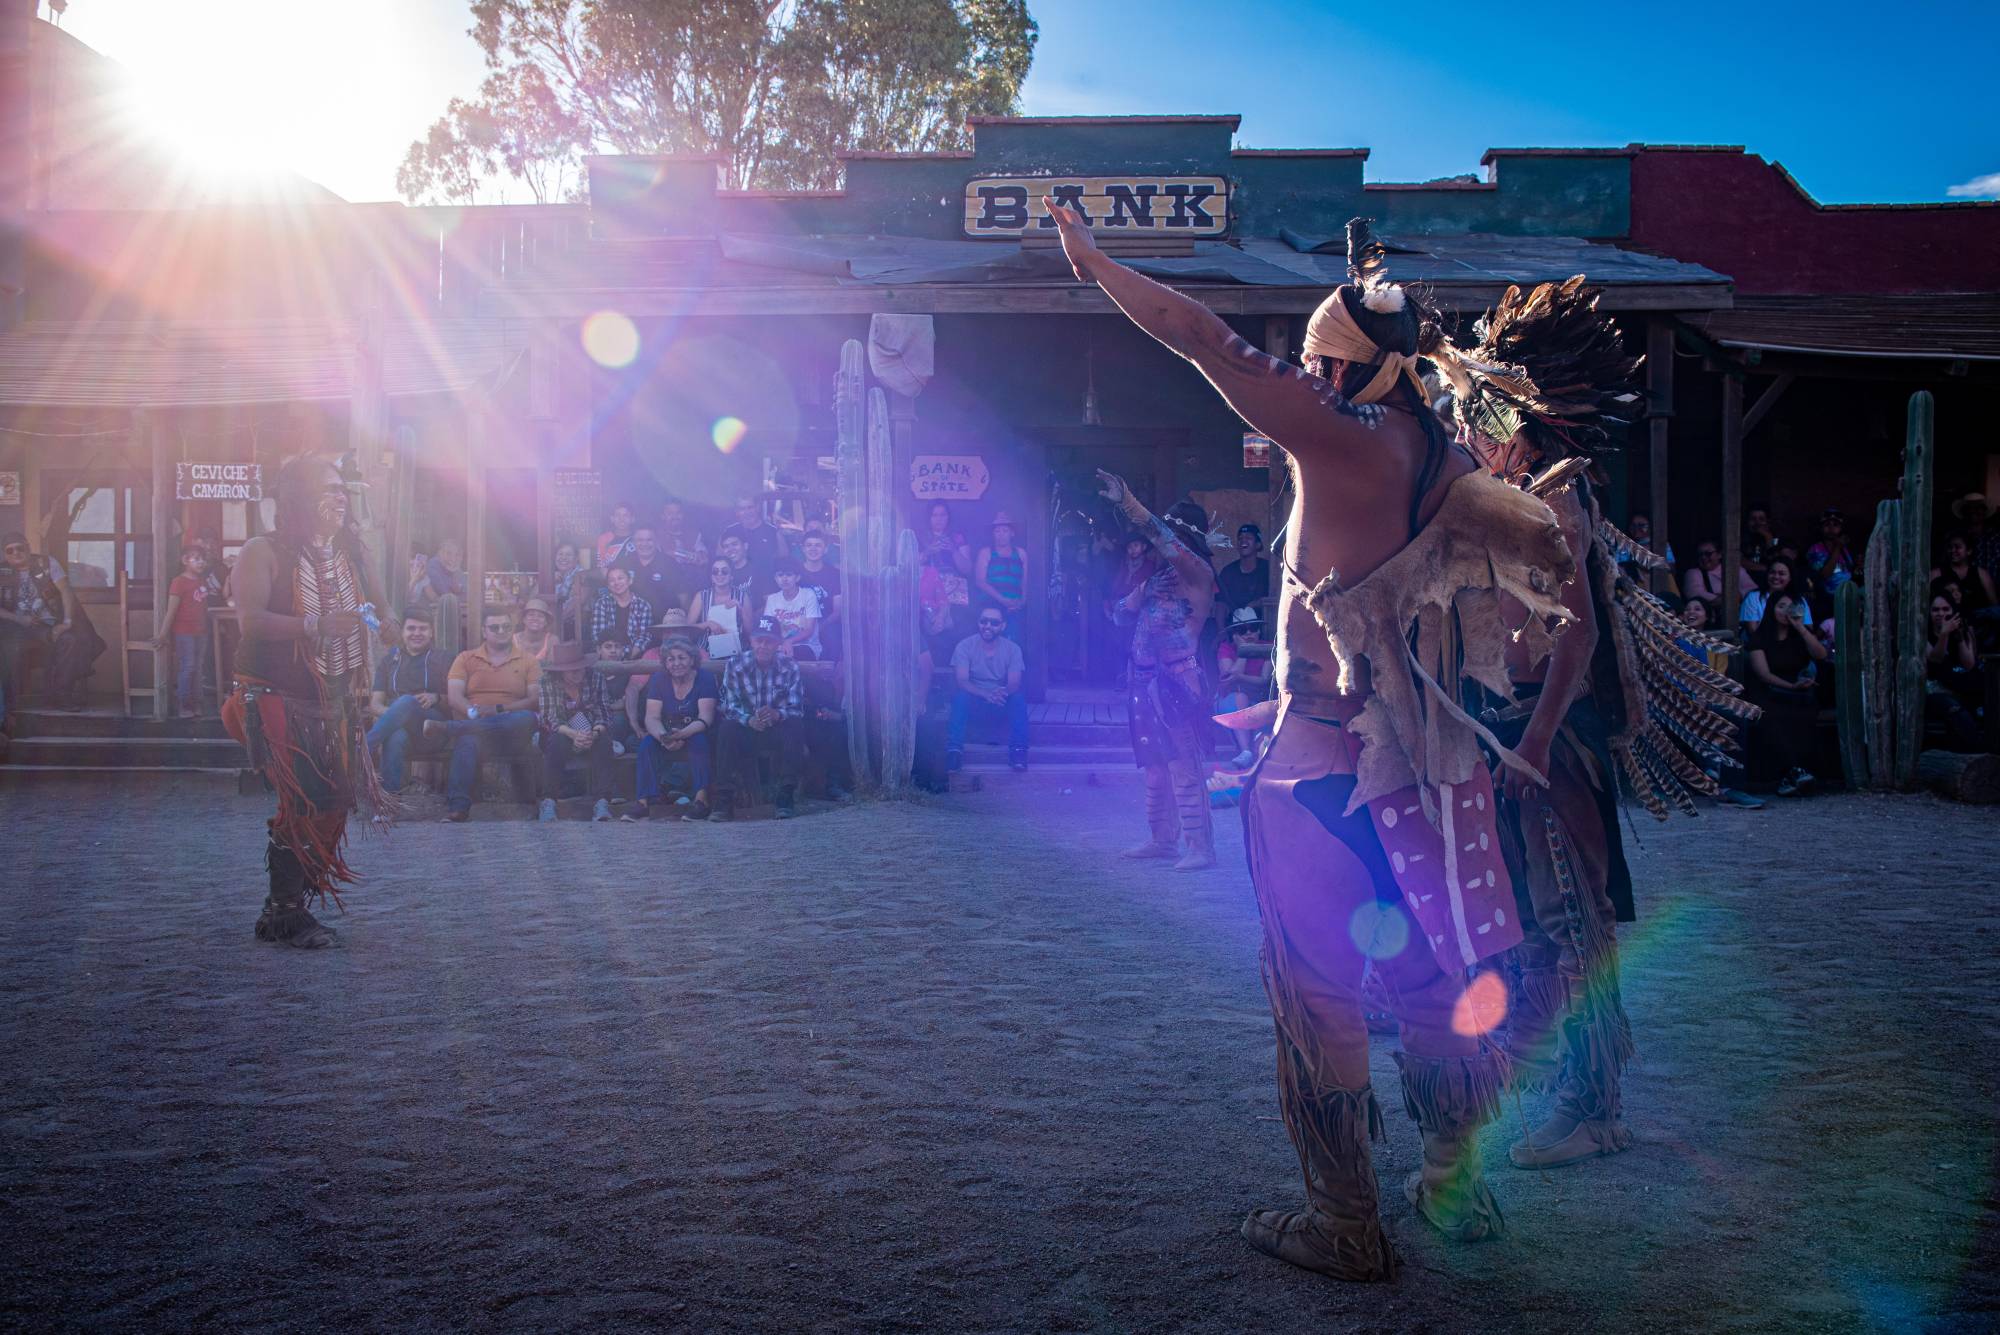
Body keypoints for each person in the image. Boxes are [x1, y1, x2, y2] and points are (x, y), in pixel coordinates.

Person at [1052, 205, 1534, 1274]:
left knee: (1319, 991)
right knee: (1427, 981)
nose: (1308, 379)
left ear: (1349, 369)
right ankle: (1453, 1186)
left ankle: (1343, 1220)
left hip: (1320, 769)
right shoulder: (1451, 457)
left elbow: (1202, 338)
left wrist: (1095, 264)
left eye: (1320, 364)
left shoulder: (1342, 435)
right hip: (1422, 767)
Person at [1437, 276, 1671, 1172]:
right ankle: (1561, 1084)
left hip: (1549, 739)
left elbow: (1576, 639)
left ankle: (1595, 1107)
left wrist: (1533, 744)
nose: (1468, 430)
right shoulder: (1510, 495)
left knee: (1572, 921)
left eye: (1479, 416)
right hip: (1511, 730)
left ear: (1517, 421)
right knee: (1535, 923)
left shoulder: (1555, 498)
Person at [222, 455, 384, 948]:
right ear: (298, 496)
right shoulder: (262, 550)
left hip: (331, 698)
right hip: (272, 694)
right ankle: (287, 912)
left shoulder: (351, 553)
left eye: (342, 489)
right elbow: (250, 621)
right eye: (327, 488)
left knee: (335, 799)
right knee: (304, 797)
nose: (339, 497)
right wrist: (313, 624)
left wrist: (388, 624)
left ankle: (283, 908)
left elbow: (382, 608)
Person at [1102, 474, 1219, 872]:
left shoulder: (1199, 573)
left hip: (1176, 681)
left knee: (1183, 765)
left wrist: (1128, 501)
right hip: (1143, 681)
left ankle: (1199, 847)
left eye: (1172, 535)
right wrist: (1128, 604)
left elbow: (1161, 537)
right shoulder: (1159, 577)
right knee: (1154, 767)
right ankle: (1162, 839)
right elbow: (1121, 614)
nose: (1164, 543)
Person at [430, 607, 542, 822]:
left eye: (506, 627)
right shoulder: (466, 658)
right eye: (494, 627)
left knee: (527, 718)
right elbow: (454, 697)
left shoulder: (528, 660)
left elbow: (534, 700)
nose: (501, 631)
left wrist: (499, 710)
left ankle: (450, 728)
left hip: (512, 733)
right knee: (467, 741)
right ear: (484, 631)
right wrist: (474, 714)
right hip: (477, 728)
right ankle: (458, 808)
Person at [712, 617, 804, 821]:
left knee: (795, 725)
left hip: (776, 729)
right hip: (747, 729)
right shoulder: (735, 664)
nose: (763, 646)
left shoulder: (790, 666)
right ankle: (724, 800)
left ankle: (785, 796)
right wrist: (748, 720)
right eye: (759, 640)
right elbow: (729, 706)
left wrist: (778, 714)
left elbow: (796, 707)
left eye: (769, 641)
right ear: (751, 641)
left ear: (778, 644)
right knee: (726, 728)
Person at [1745, 592, 1828, 795]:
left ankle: (1798, 772)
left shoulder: (1799, 636)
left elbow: (1821, 654)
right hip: (1769, 690)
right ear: (1771, 609)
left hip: (1798, 689)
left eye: (1790, 607)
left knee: (1805, 712)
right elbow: (1763, 674)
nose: (1786, 612)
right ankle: (1791, 772)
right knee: (1773, 715)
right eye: (1781, 606)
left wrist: (1801, 628)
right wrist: (1791, 687)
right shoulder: (1759, 638)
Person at [629, 637, 718, 821]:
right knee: (647, 744)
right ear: (665, 663)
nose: (676, 663)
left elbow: (705, 718)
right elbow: (652, 717)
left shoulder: (705, 678)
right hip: (667, 732)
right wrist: (664, 737)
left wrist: (682, 734)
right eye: (671, 659)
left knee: (699, 743)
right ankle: (643, 802)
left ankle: (701, 800)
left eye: (681, 657)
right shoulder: (659, 679)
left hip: (695, 731)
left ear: (692, 659)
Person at [365, 610, 450, 794]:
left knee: (407, 702)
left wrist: (436, 697)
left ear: (431, 632)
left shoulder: (445, 659)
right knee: (396, 735)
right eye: (411, 628)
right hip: (400, 729)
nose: (416, 633)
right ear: (403, 632)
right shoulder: (389, 662)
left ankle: (364, 749)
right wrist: (399, 714)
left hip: (433, 731)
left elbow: (458, 698)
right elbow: (375, 704)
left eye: (423, 629)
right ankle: (390, 800)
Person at [535, 639, 615, 822]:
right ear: (561, 671)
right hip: (560, 731)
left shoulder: (596, 678)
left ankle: (602, 801)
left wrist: (594, 733)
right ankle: (548, 801)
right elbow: (549, 717)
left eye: (580, 668)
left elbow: (603, 712)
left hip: (590, 729)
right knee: (556, 742)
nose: (578, 673)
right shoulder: (547, 681)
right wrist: (573, 734)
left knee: (604, 742)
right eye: (572, 670)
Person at [946, 605, 1029, 771]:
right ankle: (954, 751)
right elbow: (962, 680)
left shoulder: (1013, 649)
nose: (988, 626)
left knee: (1018, 699)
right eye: (984, 621)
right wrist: (985, 694)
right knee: (961, 698)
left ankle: (1018, 751)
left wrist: (1001, 693)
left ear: (1003, 626)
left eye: (994, 623)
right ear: (978, 623)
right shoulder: (965, 646)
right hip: (975, 701)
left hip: (1000, 701)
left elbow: (1014, 683)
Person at [150, 543, 213, 718]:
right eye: (196, 559)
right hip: (184, 632)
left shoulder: (202, 581)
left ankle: (197, 703)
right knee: (188, 667)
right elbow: (171, 611)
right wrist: (162, 635)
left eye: (203, 559)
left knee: (199, 668)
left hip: (202, 632)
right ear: (185, 560)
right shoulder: (178, 582)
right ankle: (184, 706)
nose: (201, 562)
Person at [1925, 591, 1983, 750]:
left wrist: (1958, 635)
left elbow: (1969, 664)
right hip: (1936, 690)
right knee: (1954, 709)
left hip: (1962, 686)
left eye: (1945, 609)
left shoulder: (1963, 630)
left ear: (1953, 611)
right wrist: (1943, 634)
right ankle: (1977, 749)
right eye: (1935, 610)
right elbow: (1936, 658)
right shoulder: (1923, 634)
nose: (1940, 613)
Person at [1215, 605, 1272, 768]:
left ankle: (1251, 753)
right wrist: (1244, 652)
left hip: (1258, 698)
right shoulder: (1226, 648)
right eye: (1242, 630)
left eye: (1252, 628)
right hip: (1229, 699)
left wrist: (1240, 677)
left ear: (1259, 631)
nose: (1248, 633)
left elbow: (1264, 680)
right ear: (1234, 635)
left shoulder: (1267, 647)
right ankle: (1245, 751)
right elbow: (1229, 679)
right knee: (1240, 697)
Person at [1215, 523, 1272, 641]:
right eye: (1240, 538)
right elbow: (1220, 604)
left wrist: (1254, 604)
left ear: (1258, 544)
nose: (1243, 541)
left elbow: (1275, 598)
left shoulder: (1268, 569)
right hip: (1235, 631)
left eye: (1248, 538)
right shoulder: (1228, 572)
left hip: (1263, 630)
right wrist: (1221, 632)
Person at [688, 556, 749, 664]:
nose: (719, 574)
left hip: (736, 654)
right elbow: (688, 629)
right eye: (715, 571)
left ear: (731, 575)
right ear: (711, 576)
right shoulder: (701, 596)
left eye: (724, 571)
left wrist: (741, 610)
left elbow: (750, 632)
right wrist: (707, 624)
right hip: (706, 653)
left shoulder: (742, 596)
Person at [975, 512, 1028, 628]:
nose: (1001, 535)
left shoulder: (1021, 553)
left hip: (1014, 607)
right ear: (993, 534)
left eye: (1005, 531)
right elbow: (980, 581)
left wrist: (1022, 602)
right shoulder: (986, 553)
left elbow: (1025, 582)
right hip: (990, 606)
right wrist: (1002, 600)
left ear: (1012, 533)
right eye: (997, 531)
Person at [762, 560, 822, 660]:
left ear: (797, 577)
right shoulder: (772, 599)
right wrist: (782, 644)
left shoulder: (808, 594)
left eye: (789, 575)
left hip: (806, 646)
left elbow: (809, 630)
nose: (784, 579)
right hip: (780, 646)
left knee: (785, 657)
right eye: (780, 575)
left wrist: (789, 641)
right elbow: (769, 629)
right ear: (775, 578)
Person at [1931, 531, 1996, 623]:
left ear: (1969, 551)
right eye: (1950, 547)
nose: (1953, 550)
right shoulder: (1936, 573)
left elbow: (1994, 606)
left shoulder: (1982, 574)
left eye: (1957, 547)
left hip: (1977, 625)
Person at [617, 526, 685, 613]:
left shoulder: (670, 564)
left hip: (664, 619)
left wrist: (685, 618)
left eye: (649, 540)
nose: (644, 544)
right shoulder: (624, 563)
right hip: (631, 618)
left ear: (656, 541)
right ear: (633, 542)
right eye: (640, 540)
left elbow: (683, 595)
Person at [1739, 558, 1813, 635]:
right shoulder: (1754, 597)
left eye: (1781, 574)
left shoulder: (1799, 600)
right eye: (1772, 572)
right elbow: (1752, 631)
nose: (1776, 577)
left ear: (1790, 577)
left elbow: (1808, 630)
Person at [799, 533, 844, 660]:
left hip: (826, 621)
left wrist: (819, 627)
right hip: (799, 621)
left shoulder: (835, 574)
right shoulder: (796, 572)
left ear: (826, 549)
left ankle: (829, 670)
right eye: (809, 545)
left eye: (818, 545)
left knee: (834, 634)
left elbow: (838, 611)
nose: (813, 549)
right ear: (803, 549)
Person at [721, 495, 785, 574]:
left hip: (765, 579)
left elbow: (784, 561)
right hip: (737, 580)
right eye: (742, 509)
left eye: (750, 507)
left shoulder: (773, 532)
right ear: (737, 512)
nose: (747, 512)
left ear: (758, 508)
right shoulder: (729, 531)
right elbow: (720, 561)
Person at [1682, 538, 1756, 605]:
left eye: (1708, 554)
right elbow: (1695, 594)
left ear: (1719, 554)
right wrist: (1732, 598)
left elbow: (1752, 591)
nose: (1703, 557)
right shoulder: (1693, 573)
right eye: (1700, 554)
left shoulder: (1736, 570)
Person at [1804, 508, 1856, 596]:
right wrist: (1838, 547)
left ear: (1841, 528)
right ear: (1821, 528)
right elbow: (1825, 575)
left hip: (1848, 595)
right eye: (1827, 524)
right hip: (1828, 597)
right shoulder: (1815, 549)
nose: (1831, 528)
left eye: (1835, 525)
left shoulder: (1845, 549)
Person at [408, 539, 467, 606]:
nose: (453, 558)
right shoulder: (432, 568)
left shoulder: (423, 576)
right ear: (440, 553)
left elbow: (434, 598)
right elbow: (403, 598)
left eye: (457, 555)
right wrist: (414, 580)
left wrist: (460, 590)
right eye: (448, 553)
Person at [919, 500, 972, 574]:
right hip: (928, 579)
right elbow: (911, 567)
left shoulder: (958, 537)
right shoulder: (920, 537)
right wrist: (927, 552)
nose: (939, 519)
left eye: (943, 515)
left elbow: (967, 570)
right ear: (928, 518)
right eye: (934, 515)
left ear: (948, 517)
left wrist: (954, 550)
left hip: (954, 579)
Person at [1741, 506, 1783, 579]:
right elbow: (1739, 561)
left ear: (1767, 522)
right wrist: (1767, 568)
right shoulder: (1740, 538)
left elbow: (1777, 561)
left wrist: (1768, 537)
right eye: (1753, 519)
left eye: (1761, 519)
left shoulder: (1775, 539)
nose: (1757, 523)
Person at [514, 596, 557, 662]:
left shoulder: (551, 640)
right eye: (531, 615)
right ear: (524, 619)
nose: (535, 618)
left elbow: (552, 666)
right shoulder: (513, 640)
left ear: (546, 622)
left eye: (540, 616)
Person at [596, 503, 638, 569]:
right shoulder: (604, 538)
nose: (621, 519)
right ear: (612, 519)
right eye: (618, 515)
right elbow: (601, 565)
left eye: (626, 515)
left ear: (632, 519)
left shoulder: (638, 538)